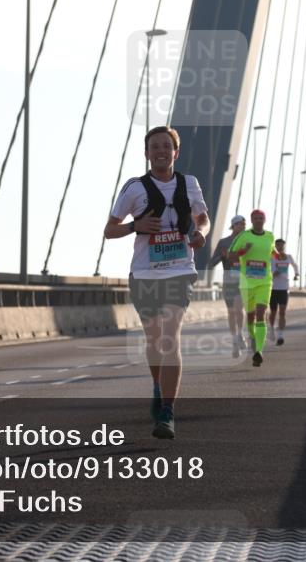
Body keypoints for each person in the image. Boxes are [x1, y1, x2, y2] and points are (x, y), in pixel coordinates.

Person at [105, 126, 211, 440]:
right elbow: (109, 230)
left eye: (167, 146)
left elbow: (202, 216)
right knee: (153, 341)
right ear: (147, 153)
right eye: (155, 147)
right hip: (145, 275)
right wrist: (135, 226)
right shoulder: (135, 188)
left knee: (169, 338)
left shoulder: (189, 184)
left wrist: (201, 232)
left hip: (179, 271)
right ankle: (157, 385)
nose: (161, 151)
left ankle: (167, 411)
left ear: (175, 152)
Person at [228, 209, 275, 367]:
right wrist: (244, 251)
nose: (258, 220)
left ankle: (259, 351)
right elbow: (230, 256)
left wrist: (279, 256)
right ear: (252, 220)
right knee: (250, 316)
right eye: (255, 218)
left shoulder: (270, 236)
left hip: (265, 282)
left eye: (261, 218)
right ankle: (253, 338)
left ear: (265, 219)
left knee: (261, 313)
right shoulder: (243, 236)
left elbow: (272, 252)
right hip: (247, 283)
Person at [207, 215, 248, 358]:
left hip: (243, 281)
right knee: (231, 312)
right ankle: (235, 339)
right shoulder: (224, 242)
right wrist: (222, 257)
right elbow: (211, 263)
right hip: (229, 280)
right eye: (240, 224)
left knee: (238, 308)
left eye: (244, 224)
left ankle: (240, 333)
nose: (243, 226)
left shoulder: (248, 241)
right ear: (233, 226)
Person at [269, 239, 299, 346]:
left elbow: (295, 265)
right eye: (278, 246)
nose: (280, 247)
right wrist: (273, 273)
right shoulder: (272, 257)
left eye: (282, 246)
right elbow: (267, 269)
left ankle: (280, 335)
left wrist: (297, 274)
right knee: (273, 312)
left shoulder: (288, 257)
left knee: (282, 312)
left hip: (284, 288)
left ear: (284, 246)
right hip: (273, 288)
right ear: (275, 246)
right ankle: (271, 329)